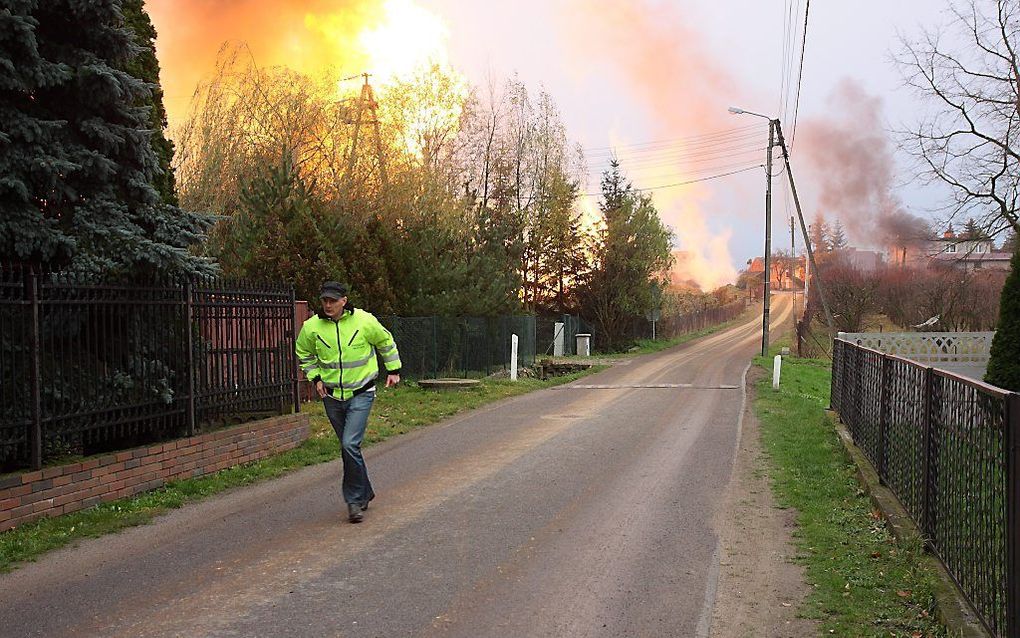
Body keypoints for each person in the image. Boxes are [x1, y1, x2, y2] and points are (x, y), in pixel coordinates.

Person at [295, 282, 401, 523]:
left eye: (333, 300)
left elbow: (385, 341)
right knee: (348, 447)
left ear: (344, 300)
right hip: (331, 397)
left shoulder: (364, 321)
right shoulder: (311, 327)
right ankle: (365, 491)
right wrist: (316, 378)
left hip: (361, 392)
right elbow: (303, 353)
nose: (328, 305)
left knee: (349, 444)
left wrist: (393, 369)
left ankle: (353, 501)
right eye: (325, 301)